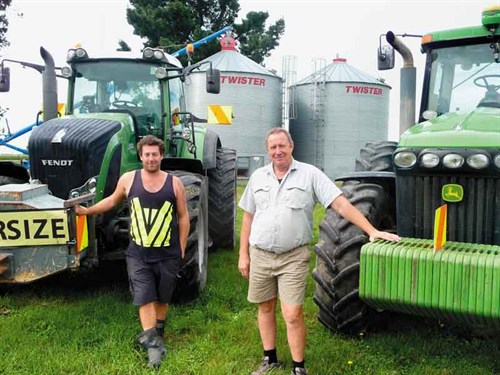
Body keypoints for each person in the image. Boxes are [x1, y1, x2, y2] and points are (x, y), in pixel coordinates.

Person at [238, 128, 400, 375]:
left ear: (291, 146)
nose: (278, 151)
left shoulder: (309, 174)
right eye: (273, 147)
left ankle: (298, 367)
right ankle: (269, 359)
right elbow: (248, 217)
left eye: (282, 146)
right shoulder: (258, 177)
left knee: (292, 313)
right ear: (268, 150)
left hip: (292, 256)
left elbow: (340, 203)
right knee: (265, 307)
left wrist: (371, 230)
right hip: (260, 253)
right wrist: (243, 254)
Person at [75, 135, 189, 368]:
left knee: (162, 296)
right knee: (145, 295)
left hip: (168, 253)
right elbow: (112, 201)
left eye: (155, 154)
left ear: (161, 155)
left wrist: (182, 247)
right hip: (138, 254)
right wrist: (87, 212)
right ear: (140, 156)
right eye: (146, 154)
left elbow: (183, 216)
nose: (151, 158)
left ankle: (157, 333)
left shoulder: (174, 183)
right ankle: (153, 348)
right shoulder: (129, 179)